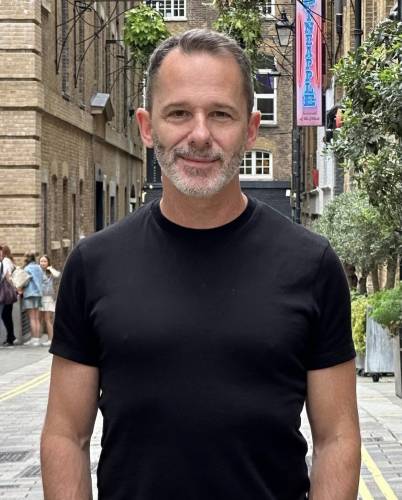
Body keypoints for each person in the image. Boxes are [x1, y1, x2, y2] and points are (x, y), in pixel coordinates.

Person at [41, 29, 361, 499]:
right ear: (147, 127)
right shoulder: (93, 265)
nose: (199, 135)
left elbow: (337, 438)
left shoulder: (312, 265)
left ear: (250, 128)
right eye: (178, 113)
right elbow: (66, 434)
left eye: (220, 115)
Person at [22, 252, 43, 347]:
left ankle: (34, 338)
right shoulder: (39, 267)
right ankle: (37, 339)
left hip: (29, 293)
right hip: (38, 294)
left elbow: (25, 282)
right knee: (37, 318)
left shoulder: (27, 268)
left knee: (31, 318)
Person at [39, 255, 60, 347]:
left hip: (48, 298)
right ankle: (39, 338)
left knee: (48, 319)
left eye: (45, 261)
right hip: (39, 297)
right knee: (40, 319)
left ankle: (51, 339)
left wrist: (50, 268)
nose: (43, 263)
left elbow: (57, 275)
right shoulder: (38, 270)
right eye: (41, 261)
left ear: (48, 262)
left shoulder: (50, 271)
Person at [0, 245, 16, 346]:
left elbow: (7, 276)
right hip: (8, 293)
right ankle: (10, 337)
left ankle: (10, 337)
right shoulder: (9, 261)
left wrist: (14, 286)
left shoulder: (5, 261)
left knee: (5, 316)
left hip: (5, 293)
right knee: (7, 316)